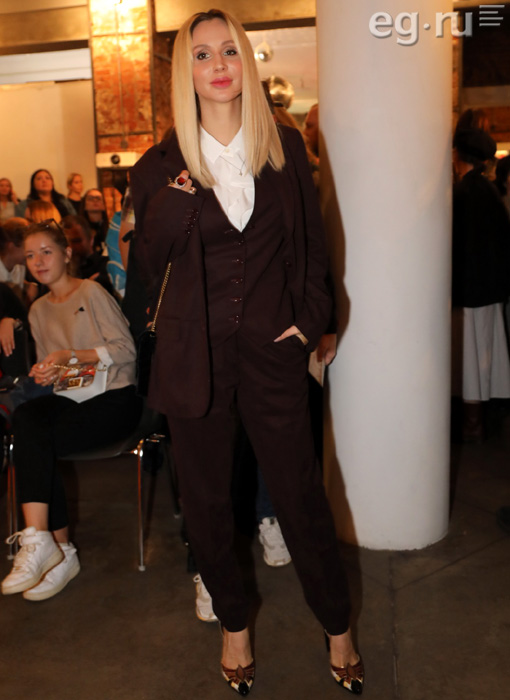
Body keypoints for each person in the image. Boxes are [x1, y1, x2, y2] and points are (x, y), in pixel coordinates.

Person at [131, 9, 362, 696]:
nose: (218, 65)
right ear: (186, 71)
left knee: (300, 495)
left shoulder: (282, 146)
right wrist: (178, 198)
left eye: (229, 50)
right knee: (206, 504)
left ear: (246, 62)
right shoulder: (158, 165)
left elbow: (312, 248)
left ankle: (338, 624)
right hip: (193, 358)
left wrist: (308, 321)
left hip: (272, 354)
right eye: (201, 55)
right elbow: (147, 266)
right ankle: (234, 624)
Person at [1, 219, 141, 601]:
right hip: (73, 397)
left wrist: (71, 356)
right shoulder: (37, 310)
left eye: (46, 252)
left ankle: (60, 552)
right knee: (28, 421)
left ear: (66, 254)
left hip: (115, 398)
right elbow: (62, 374)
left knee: (36, 437)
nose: (38, 261)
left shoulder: (91, 292)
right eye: (31, 255)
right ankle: (44, 542)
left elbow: (126, 351)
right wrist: (48, 371)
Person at [452, 128, 510, 441]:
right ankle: (481, 421)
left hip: (469, 290)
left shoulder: (463, 192)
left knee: (470, 358)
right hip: (490, 289)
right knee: (487, 354)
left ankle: (472, 424)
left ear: (457, 154)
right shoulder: (488, 190)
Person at [62, 215, 116, 297]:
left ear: (91, 240)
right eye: (66, 243)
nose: (71, 247)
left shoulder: (106, 266)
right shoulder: (59, 271)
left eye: (76, 241)